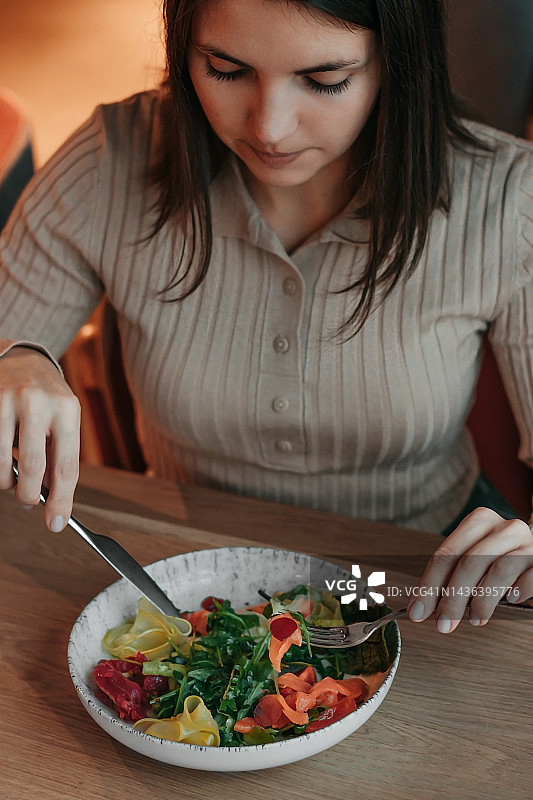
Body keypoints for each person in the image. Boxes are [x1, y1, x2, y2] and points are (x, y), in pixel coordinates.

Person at [0, 0, 532, 631]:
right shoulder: (112, 159)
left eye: (325, 81)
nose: (270, 127)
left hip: (416, 588)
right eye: (226, 69)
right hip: (186, 576)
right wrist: (18, 358)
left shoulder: (508, 200)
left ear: (397, 58)